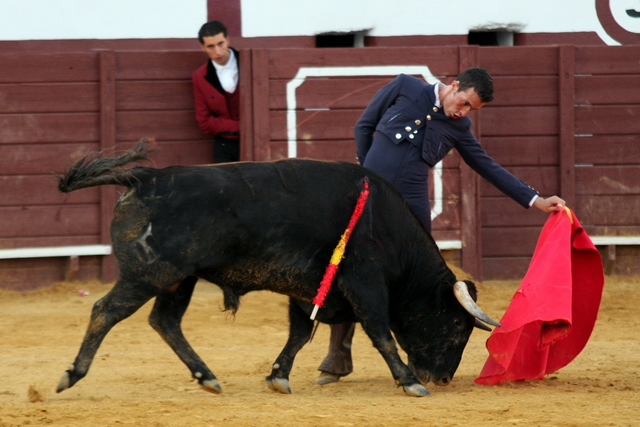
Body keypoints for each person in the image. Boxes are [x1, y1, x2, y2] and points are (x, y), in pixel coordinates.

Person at [316, 68, 566, 386]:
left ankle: (416, 358)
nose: (462, 112)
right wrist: (369, 177)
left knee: (412, 281)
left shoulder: (460, 126)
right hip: (369, 200)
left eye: (470, 109)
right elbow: (364, 126)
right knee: (350, 269)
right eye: (463, 103)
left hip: (411, 211)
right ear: (454, 85)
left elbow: (485, 164)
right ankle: (338, 356)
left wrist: (535, 199)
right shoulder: (405, 86)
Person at [192, 20, 240, 163]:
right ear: (203, 47)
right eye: (211, 46)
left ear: (228, 40)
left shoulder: (249, 63)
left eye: (221, 44)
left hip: (257, 141)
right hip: (224, 146)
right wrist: (242, 127)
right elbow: (204, 122)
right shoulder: (199, 76)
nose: (217, 52)